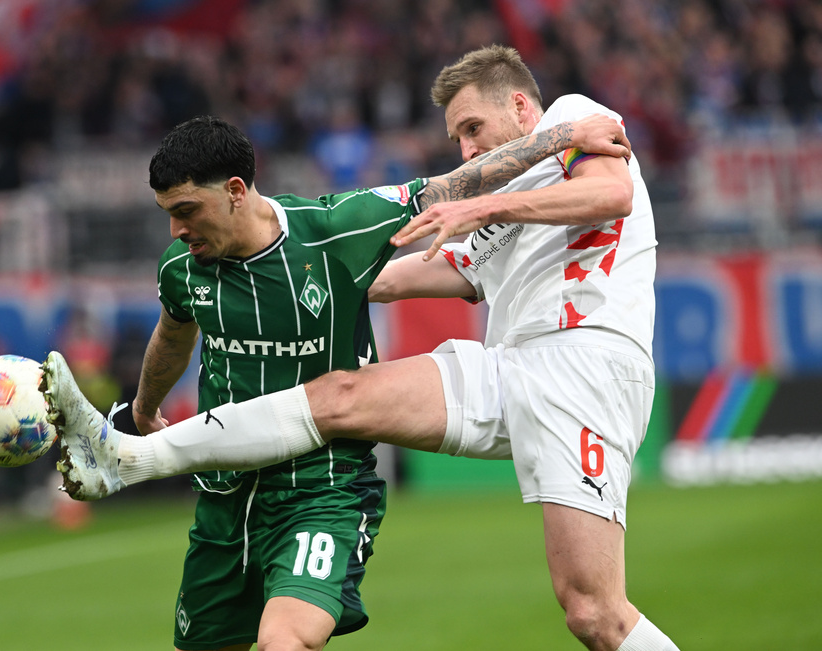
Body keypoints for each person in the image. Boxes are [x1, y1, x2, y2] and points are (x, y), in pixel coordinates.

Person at [43, 50, 647, 650]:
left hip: (583, 367)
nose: (466, 148)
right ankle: (126, 457)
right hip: (514, 369)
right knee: (342, 395)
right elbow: (447, 270)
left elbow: (610, 196)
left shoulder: (571, 117)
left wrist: (483, 201)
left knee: (595, 615)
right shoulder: (512, 209)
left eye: (472, 128)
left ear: (519, 106)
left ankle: (126, 458)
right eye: (456, 136)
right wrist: (327, 270)